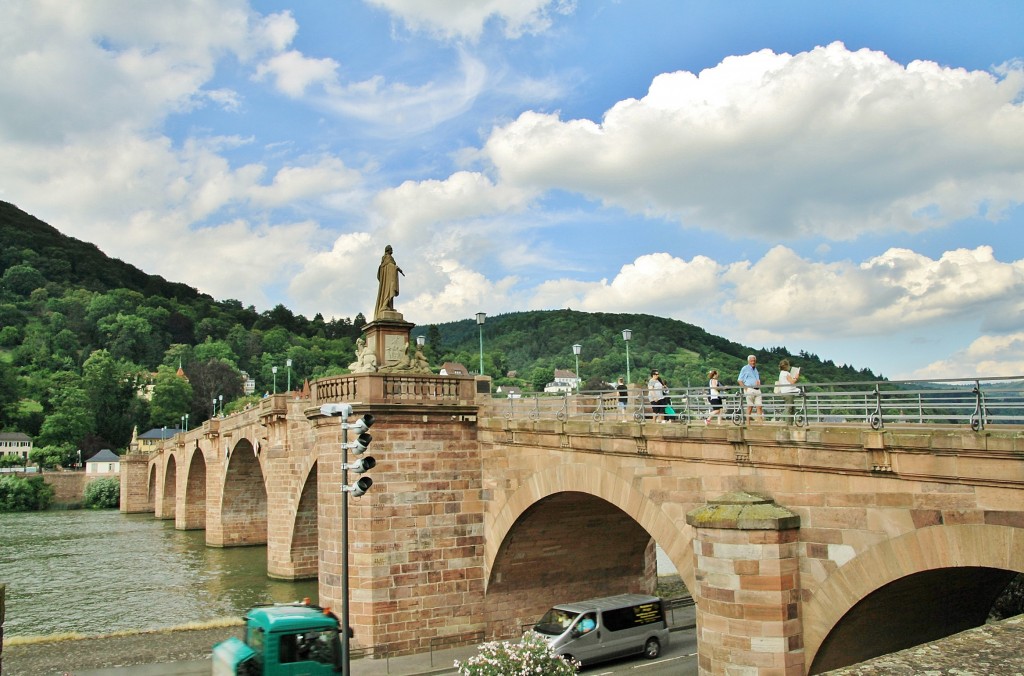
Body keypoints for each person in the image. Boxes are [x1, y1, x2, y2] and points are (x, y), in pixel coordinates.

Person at [374, 245, 404, 319]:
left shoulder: (387, 258)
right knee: (389, 290)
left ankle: (389, 306)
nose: (392, 251)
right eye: (391, 249)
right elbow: (390, 265)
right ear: (388, 250)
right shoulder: (387, 257)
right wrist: (396, 268)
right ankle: (384, 306)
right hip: (388, 280)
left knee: (390, 291)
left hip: (389, 278)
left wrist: (395, 267)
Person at [737, 355, 763, 422]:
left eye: (754, 361)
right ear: (748, 361)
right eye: (751, 361)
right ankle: (748, 423)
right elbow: (739, 380)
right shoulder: (745, 368)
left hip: (757, 389)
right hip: (750, 389)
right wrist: (746, 389)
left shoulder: (756, 369)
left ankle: (760, 423)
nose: (753, 362)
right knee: (750, 406)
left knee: (759, 406)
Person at [777, 358, 801, 423]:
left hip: (784, 392)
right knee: (789, 408)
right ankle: (789, 423)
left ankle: (790, 422)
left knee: (791, 408)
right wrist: (796, 377)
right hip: (788, 392)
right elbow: (792, 382)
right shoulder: (786, 373)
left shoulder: (781, 373)